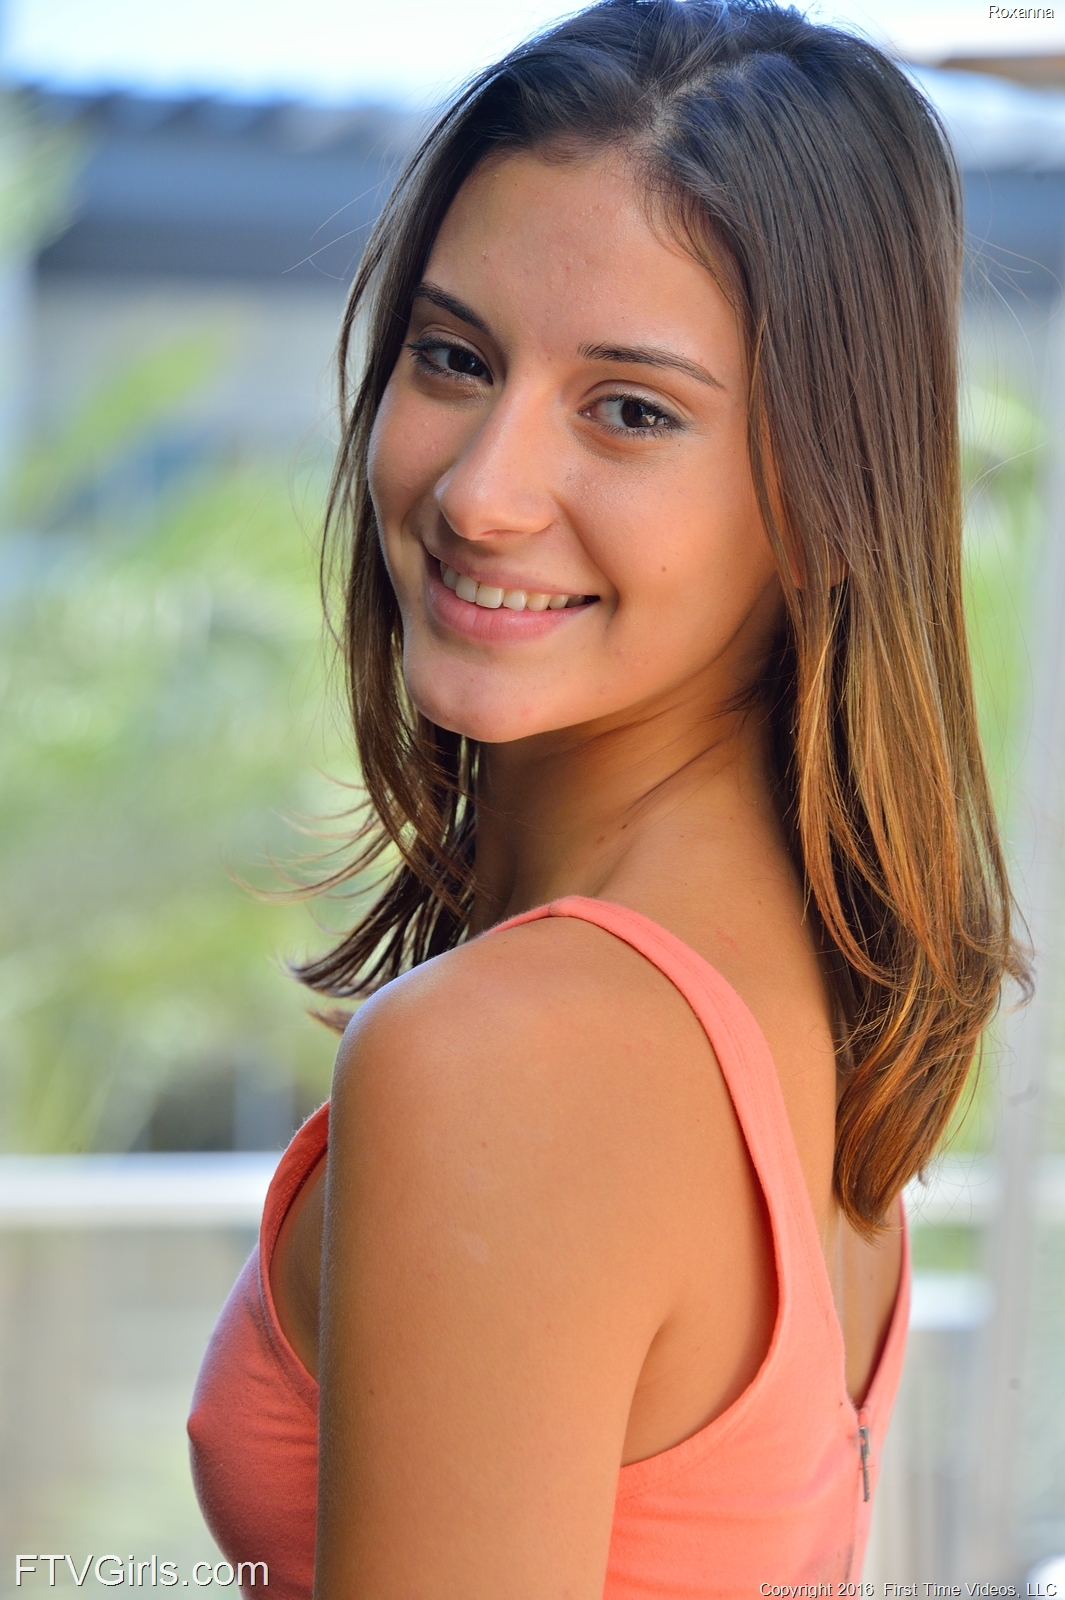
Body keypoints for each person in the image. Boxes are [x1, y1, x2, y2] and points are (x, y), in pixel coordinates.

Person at [188, 2, 1026, 1594]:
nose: (480, 493)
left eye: (629, 410)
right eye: (453, 358)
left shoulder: (513, 1057)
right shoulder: (814, 1008)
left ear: (822, 496)